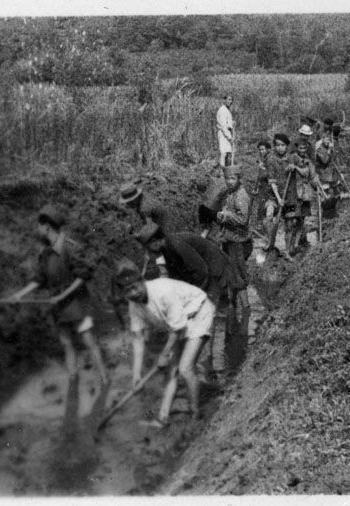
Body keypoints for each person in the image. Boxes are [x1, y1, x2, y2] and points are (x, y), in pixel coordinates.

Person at [8, 204, 108, 386]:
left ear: (46, 226)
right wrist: (19, 294)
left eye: (39, 226)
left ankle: (104, 379)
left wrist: (63, 296)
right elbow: (40, 279)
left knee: (88, 341)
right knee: (66, 343)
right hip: (59, 306)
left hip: (77, 303)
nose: (38, 230)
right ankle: (72, 380)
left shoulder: (70, 247)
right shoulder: (45, 254)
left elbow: (82, 276)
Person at [112, 259, 216, 427]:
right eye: (127, 291)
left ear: (142, 281)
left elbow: (177, 329)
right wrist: (136, 375)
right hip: (179, 322)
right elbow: (138, 339)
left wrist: (163, 354)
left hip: (199, 312)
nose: (133, 293)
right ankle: (162, 418)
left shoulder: (162, 290)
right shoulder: (134, 306)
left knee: (184, 368)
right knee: (171, 371)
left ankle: (195, 415)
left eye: (134, 287)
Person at [215, 165, 252, 317]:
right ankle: (234, 305)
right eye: (227, 178)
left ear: (239, 179)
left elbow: (243, 220)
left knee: (237, 274)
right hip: (230, 239)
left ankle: (246, 309)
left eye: (232, 178)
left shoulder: (241, 196)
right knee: (231, 273)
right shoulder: (231, 193)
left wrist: (227, 215)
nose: (229, 182)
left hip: (238, 241)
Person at [286, 140, 323, 256]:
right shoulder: (291, 157)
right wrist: (289, 168)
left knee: (302, 220)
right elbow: (285, 169)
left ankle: (297, 244)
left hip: (304, 194)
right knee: (291, 221)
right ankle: (289, 247)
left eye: (305, 149)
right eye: (301, 148)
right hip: (293, 193)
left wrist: (317, 186)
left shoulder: (308, 161)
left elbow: (310, 174)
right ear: (297, 148)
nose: (303, 151)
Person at [263, 134, 291, 256]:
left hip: (288, 195)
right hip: (273, 196)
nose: (280, 148)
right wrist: (279, 199)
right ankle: (270, 243)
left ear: (286, 146)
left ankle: (290, 249)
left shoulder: (290, 158)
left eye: (283, 145)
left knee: (291, 223)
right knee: (269, 216)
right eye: (278, 145)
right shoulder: (271, 159)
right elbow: (272, 182)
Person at [216, 95, 235, 168]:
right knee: (223, 153)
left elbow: (226, 122)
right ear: (224, 100)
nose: (231, 102)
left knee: (227, 152)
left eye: (231, 100)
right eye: (229, 99)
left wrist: (231, 123)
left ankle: (226, 170)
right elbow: (223, 126)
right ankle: (222, 171)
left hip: (227, 132)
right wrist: (229, 137)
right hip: (223, 133)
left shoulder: (227, 110)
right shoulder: (222, 110)